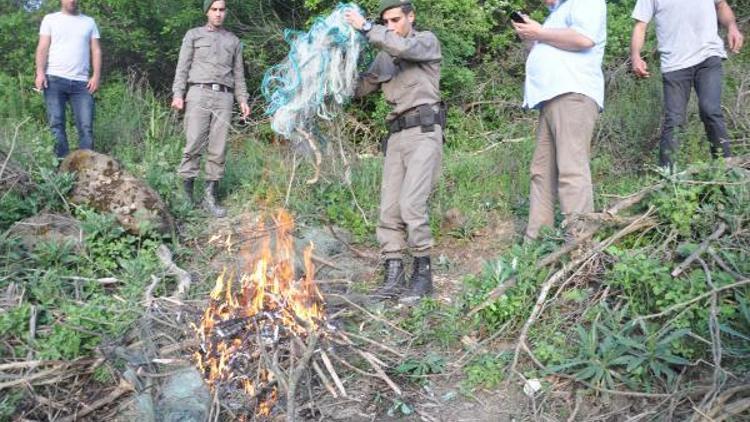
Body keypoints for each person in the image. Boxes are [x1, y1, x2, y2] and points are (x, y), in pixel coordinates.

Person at [344, 0, 444, 301]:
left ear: (410, 17)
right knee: (389, 209)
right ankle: (393, 274)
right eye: (385, 22)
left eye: (396, 20)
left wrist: (364, 27)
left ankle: (423, 276)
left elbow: (402, 48)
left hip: (424, 132)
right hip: (397, 136)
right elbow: (360, 89)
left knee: (411, 204)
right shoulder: (384, 57)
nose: (391, 26)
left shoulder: (424, 41)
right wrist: (337, 66)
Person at [512, 0, 607, 241]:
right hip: (550, 98)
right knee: (541, 172)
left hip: (573, 93)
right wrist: (534, 37)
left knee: (571, 169)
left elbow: (584, 39)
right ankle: (536, 245)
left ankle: (579, 245)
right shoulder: (557, 13)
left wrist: (539, 33)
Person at [631, 0, 744, 169]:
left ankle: (726, 167)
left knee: (710, 109)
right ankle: (668, 177)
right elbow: (640, 25)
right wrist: (636, 56)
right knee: (674, 120)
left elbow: (721, 5)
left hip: (708, 55)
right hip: (674, 63)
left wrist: (732, 27)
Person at [171, 0, 250, 218]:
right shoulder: (193, 35)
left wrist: (242, 99)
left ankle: (210, 198)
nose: (218, 14)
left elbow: (239, 74)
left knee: (218, 148)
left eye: (222, 10)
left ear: (226, 12)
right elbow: (182, 67)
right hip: (198, 93)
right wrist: (178, 94)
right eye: (214, 10)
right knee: (194, 142)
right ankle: (187, 196)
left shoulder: (233, 41)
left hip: (224, 97)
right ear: (207, 12)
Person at [35, 0, 101, 159]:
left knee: (86, 127)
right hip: (54, 80)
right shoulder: (50, 19)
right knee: (56, 125)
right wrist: (40, 72)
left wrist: (96, 76)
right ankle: (62, 167)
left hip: (82, 83)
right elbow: (42, 47)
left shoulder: (89, 22)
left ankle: (86, 168)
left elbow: (96, 50)